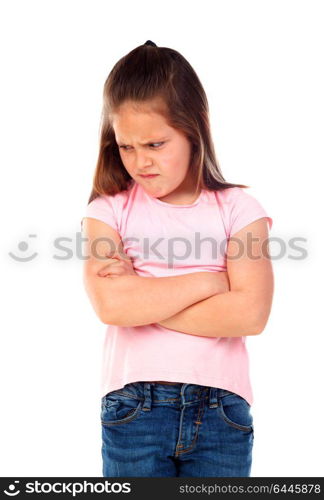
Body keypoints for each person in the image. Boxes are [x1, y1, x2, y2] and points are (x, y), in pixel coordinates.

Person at [81, 40, 274, 477]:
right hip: (133, 409)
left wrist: (144, 298)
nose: (140, 162)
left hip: (223, 411)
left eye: (154, 143)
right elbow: (113, 306)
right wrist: (211, 281)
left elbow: (250, 313)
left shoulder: (240, 210)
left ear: (195, 127)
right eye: (126, 147)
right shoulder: (107, 211)